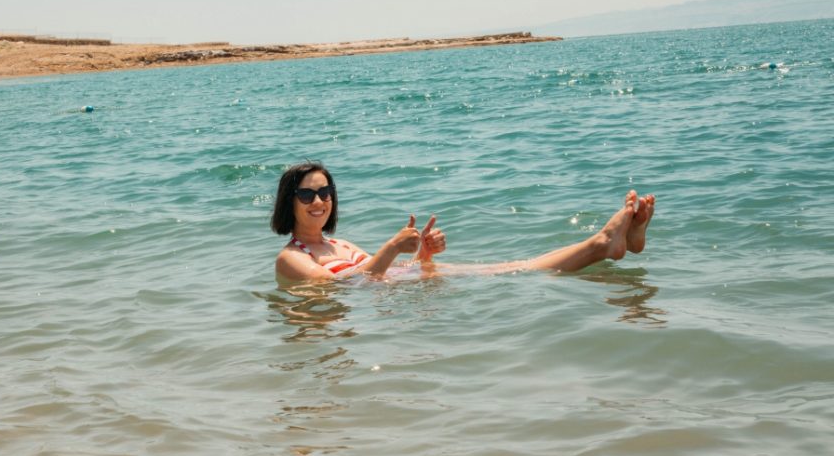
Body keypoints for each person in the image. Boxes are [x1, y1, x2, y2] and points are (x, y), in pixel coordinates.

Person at [271, 162, 655, 284]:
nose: (319, 201)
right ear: (290, 203)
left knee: (519, 265)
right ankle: (607, 244)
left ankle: (613, 243)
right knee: (520, 269)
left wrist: (422, 253)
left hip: (411, 286)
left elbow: (378, 275)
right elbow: (340, 286)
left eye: (325, 192)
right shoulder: (290, 258)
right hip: (403, 298)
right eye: (307, 195)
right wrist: (390, 248)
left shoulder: (342, 246)